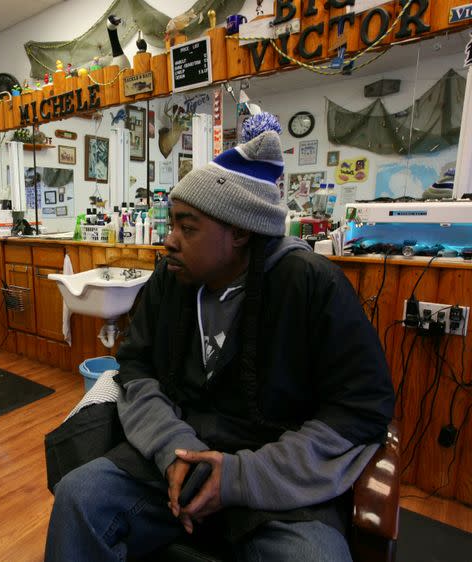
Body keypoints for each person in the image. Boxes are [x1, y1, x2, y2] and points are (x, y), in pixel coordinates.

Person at [44, 128, 395, 561]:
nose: (169, 239)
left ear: (241, 233)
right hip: (176, 460)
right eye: (172, 223)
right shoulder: (169, 282)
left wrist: (240, 476)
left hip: (275, 480)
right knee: (81, 497)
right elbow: (136, 369)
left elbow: (360, 408)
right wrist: (174, 453)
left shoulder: (310, 286)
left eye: (187, 228)